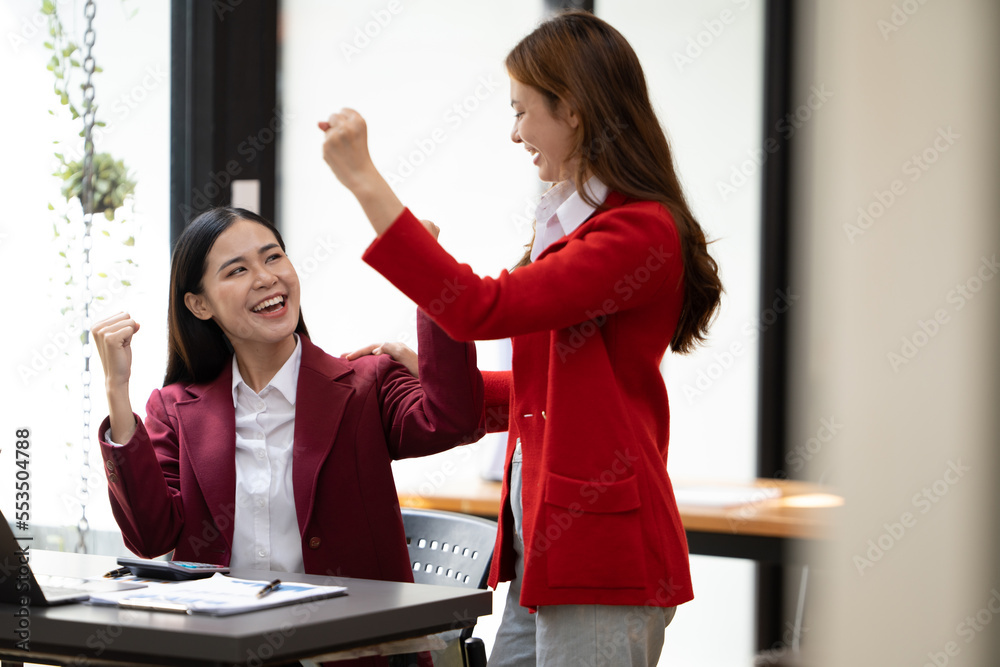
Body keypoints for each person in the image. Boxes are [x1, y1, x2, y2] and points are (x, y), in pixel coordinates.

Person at [317, 10, 723, 666]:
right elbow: (545, 392)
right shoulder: (580, 225)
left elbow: (483, 307)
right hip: (550, 551)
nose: (514, 134)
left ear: (575, 111)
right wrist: (438, 376)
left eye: (522, 111)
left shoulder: (635, 234)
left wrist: (367, 182)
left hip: (603, 557)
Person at [91, 207, 484, 616]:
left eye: (273, 256)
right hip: (221, 647)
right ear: (199, 305)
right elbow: (151, 537)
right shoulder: (174, 408)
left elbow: (454, 419)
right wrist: (116, 390)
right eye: (236, 270)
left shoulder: (367, 383)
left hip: (347, 648)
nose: (265, 277)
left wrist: (432, 276)